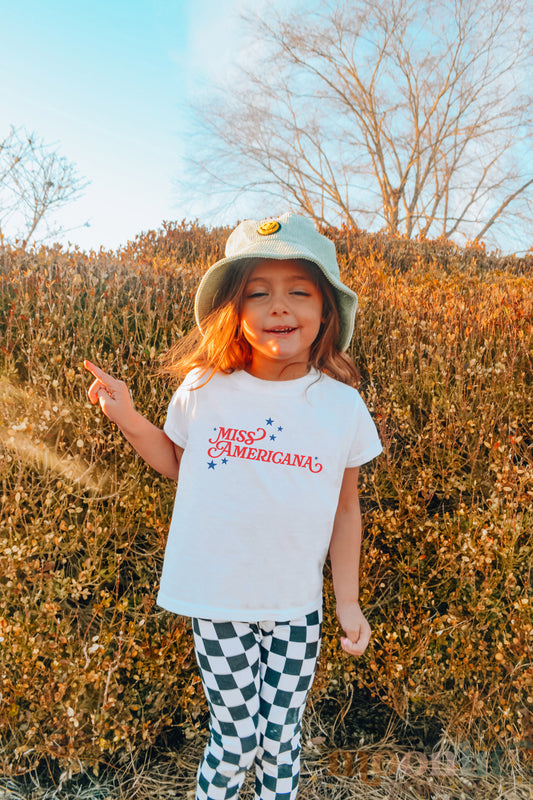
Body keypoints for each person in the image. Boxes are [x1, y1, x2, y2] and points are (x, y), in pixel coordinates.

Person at [84, 212, 382, 800]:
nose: (279, 306)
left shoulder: (342, 406)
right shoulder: (204, 387)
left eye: (299, 291)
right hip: (218, 600)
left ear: (325, 312)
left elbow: (347, 512)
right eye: (259, 293)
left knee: (281, 739)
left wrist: (347, 600)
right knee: (236, 737)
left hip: (297, 607)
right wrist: (126, 416)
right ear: (234, 313)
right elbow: (176, 461)